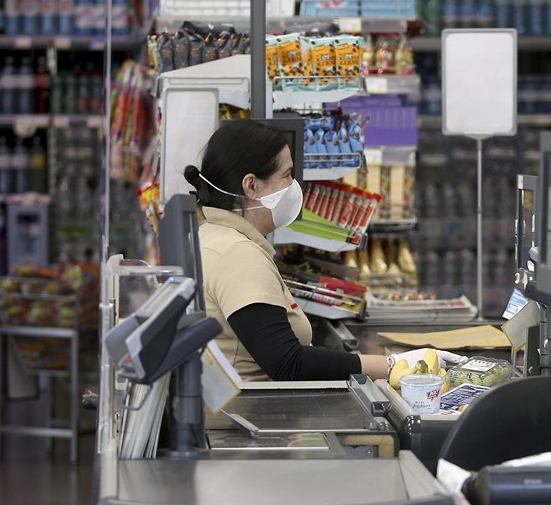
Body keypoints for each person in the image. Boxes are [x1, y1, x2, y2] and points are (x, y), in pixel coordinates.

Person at [184, 120, 459, 382]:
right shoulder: (237, 254)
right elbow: (287, 363)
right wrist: (391, 365)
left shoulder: (212, 234)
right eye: (287, 175)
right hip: (249, 416)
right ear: (252, 186)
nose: (294, 186)